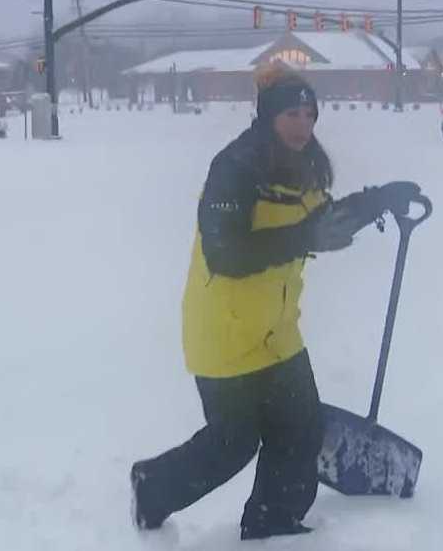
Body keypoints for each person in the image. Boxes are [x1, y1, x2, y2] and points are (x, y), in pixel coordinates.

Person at [130, 62, 420, 541]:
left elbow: (322, 222)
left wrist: (379, 200)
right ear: (268, 115)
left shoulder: (304, 167)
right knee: (233, 443)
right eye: (292, 114)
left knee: (301, 428)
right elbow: (225, 252)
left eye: (309, 114)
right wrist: (303, 236)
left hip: (277, 329)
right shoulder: (235, 167)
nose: (303, 124)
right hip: (223, 331)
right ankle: (152, 487)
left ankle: (274, 518)